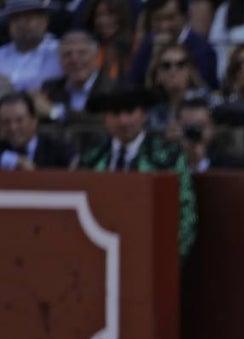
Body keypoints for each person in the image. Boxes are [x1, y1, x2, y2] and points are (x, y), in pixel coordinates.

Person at [80, 84, 198, 261]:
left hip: (151, 256)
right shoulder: (90, 160)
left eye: (130, 111)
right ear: (106, 118)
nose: (124, 121)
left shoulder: (167, 158)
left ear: (143, 114)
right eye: (116, 113)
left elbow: (186, 213)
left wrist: (169, 259)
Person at [129, 0, 220, 90]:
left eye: (170, 18)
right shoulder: (148, 43)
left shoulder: (202, 49)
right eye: (158, 19)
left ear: (185, 17)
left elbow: (206, 89)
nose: (164, 26)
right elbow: (132, 83)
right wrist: (154, 58)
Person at [33, 30, 117, 125]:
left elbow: (103, 123)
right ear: (60, 61)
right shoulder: (51, 89)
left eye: (82, 53)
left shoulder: (113, 89)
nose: (74, 60)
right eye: (67, 54)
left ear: (96, 58)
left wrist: (55, 112)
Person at [145, 42, 213, 134]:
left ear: (190, 71)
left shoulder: (208, 102)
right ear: (158, 75)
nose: (173, 71)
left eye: (180, 64)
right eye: (166, 66)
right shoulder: (151, 111)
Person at [0, 0, 64, 93]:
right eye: (16, 19)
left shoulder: (59, 52)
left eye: (28, 18)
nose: (21, 24)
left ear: (44, 21)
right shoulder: (1, 54)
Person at [0, 92, 76, 169]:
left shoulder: (59, 150)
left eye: (19, 121)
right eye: (6, 122)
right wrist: (11, 160)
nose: (13, 127)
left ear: (34, 121)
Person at [73, 0, 134, 84]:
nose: (103, 21)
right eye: (98, 15)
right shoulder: (90, 48)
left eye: (110, 14)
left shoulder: (133, 47)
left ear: (121, 16)